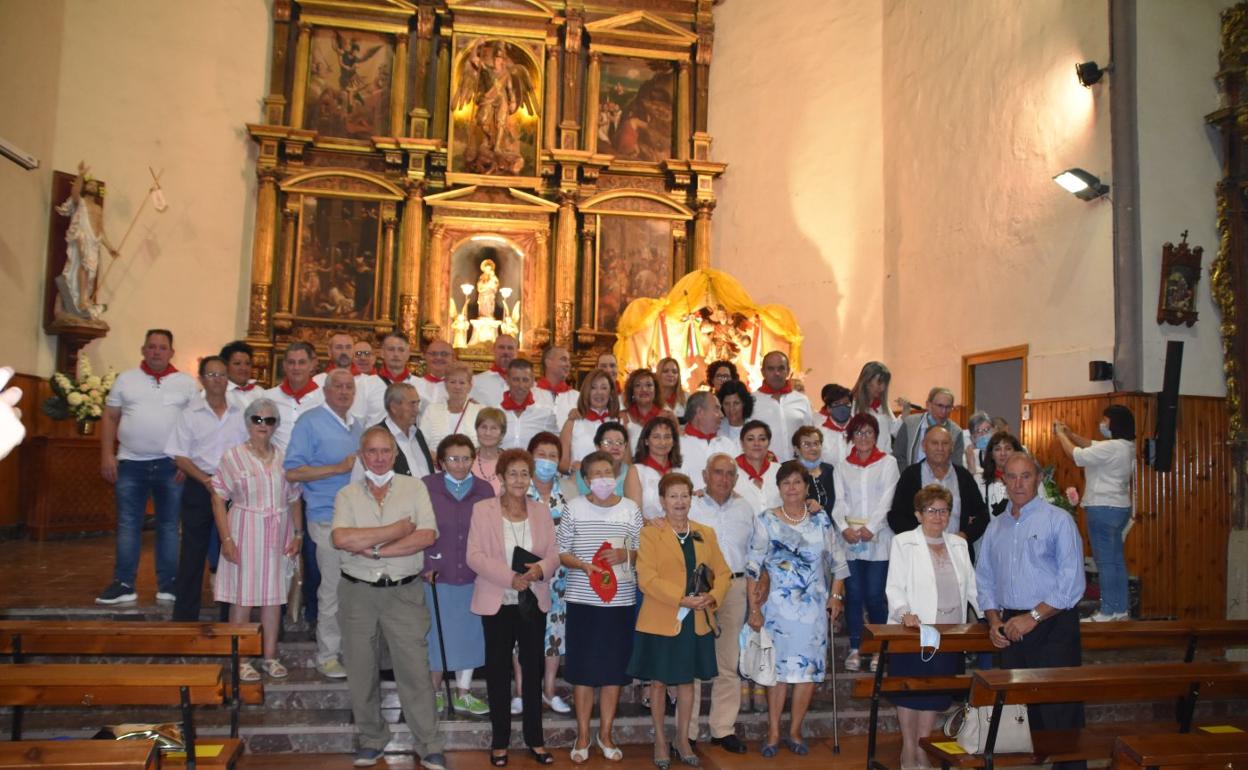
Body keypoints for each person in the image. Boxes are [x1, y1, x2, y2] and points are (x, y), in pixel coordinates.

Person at [330, 427, 447, 770]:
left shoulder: (415, 489)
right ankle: (371, 739)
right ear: (362, 455)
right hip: (357, 594)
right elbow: (341, 538)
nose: (379, 458)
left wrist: (376, 550)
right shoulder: (347, 495)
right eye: (372, 451)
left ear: (395, 453)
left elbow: (426, 534)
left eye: (385, 451)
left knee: (415, 672)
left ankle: (428, 744)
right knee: (361, 670)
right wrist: (396, 531)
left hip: (404, 593)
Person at [976, 451, 1086, 770]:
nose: (1019, 483)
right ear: (1003, 481)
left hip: (1053, 624)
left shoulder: (1058, 520)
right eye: (1012, 476)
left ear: (1038, 478)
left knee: (1060, 712)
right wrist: (994, 619)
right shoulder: (996, 528)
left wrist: (1033, 617)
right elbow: (984, 578)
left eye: (1026, 475)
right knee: (1023, 714)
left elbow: (1072, 583)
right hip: (1011, 627)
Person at [746, 461, 849, 757]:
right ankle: (774, 730)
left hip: (813, 610)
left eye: (797, 482)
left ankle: (795, 730)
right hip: (776, 609)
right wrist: (754, 608)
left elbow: (839, 563)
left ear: (806, 487)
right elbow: (753, 567)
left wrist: (836, 597)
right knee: (776, 671)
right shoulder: (766, 520)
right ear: (778, 488)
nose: (792, 488)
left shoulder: (821, 520)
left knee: (807, 671)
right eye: (786, 483)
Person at [629, 472, 731, 770]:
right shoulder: (650, 534)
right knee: (659, 683)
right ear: (662, 500)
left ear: (691, 498)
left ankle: (682, 739)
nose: (679, 501)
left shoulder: (705, 533)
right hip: (663, 618)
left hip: (696, 619)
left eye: (684, 495)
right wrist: (681, 598)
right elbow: (646, 579)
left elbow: (723, 573)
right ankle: (661, 740)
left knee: (687, 683)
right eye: (673, 496)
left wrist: (712, 597)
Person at [467, 449, 560, 766]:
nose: (519, 480)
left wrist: (538, 571)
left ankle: (535, 739)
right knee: (497, 672)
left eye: (524, 473)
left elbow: (553, 554)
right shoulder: (483, 510)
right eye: (513, 474)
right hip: (498, 600)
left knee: (533, 669)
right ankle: (499, 741)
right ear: (502, 477)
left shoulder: (541, 511)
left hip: (533, 600)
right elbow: (475, 556)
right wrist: (510, 578)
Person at [97, 329, 198, 605]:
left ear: (171, 352)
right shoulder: (126, 379)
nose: (156, 352)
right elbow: (110, 417)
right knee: (128, 524)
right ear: (143, 350)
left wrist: (186, 461)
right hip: (130, 463)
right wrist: (108, 455)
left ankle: (169, 584)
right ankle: (124, 583)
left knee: (168, 526)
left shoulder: (186, 383)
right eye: (151, 347)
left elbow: (195, 425)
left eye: (162, 347)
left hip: (171, 465)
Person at [885, 484, 980, 770]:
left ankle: (923, 747)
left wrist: (991, 614)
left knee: (934, 695)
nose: (939, 516)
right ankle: (908, 749)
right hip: (914, 632)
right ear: (918, 514)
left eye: (944, 510)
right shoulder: (903, 542)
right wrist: (904, 613)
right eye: (932, 510)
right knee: (910, 693)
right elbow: (895, 586)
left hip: (949, 634)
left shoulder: (959, 544)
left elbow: (973, 588)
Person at [557, 451, 644, 763]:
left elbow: (642, 549)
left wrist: (626, 556)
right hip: (583, 601)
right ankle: (582, 735)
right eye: (595, 473)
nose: (603, 478)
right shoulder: (574, 507)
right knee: (582, 672)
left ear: (616, 475)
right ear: (586, 479)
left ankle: (605, 733)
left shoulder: (631, 509)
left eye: (608, 471)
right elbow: (561, 551)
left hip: (620, 602)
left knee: (613, 671)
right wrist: (582, 565)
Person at [211, 397, 303, 680]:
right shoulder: (232, 456)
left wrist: (299, 534)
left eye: (270, 420)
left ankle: (270, 656)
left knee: (273, 598)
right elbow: (218, 497)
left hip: (278, 531)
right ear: (248, 422)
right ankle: (241, 658)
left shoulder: (284, 457)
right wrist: (226, 539)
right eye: (258, 419)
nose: (263, 425)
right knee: (242, 597)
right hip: (244, 530)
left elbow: (294, 498)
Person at [284, 368, 364, 679]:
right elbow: (292, 471)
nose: (344, 392)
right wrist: (336, 468)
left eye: (349, 387)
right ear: (326, 391)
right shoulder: (310, 421)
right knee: (332, 587)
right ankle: (328, 655)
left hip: (356, 518)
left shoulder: (356, 426)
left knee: (354, 590)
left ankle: (351, 650)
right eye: (338, 387)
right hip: (325, 515)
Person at [165, 356, 247, 621]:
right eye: (212, 375)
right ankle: (185, 615)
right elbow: (180, 456)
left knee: (229, 550)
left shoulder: (240, 411)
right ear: (201, 379)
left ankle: (228, 615)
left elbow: (248, 449)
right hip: (200, 486)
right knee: (192, 551)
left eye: (222, 375)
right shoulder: (190, 413)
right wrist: (205, 480)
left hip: (233, 490)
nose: (218, 381)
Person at [687, 453, 755, 755]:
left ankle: (722, 729)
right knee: (693, 663)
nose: (723, 479)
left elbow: (756, 549)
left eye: (730, 473)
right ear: (704, 474)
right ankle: (686, 732)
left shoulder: (745, 507)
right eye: (717, 472)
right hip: (700, 590)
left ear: (736, 479)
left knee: (728, 663)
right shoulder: (691, 505)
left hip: (736, 588)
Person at [422, 434, 493, 716]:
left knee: (470, 635)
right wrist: (424, 565)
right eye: (453, 458)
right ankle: (435, 692)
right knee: (435, 636)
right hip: (436, 574)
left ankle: (463, 693)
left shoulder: (484, 489)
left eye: (466, 458)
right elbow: (416, 528)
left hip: (474, 576)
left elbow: (491, 534)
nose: (460, 464)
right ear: (441, 461)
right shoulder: (426, 487)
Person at [830, 413, 899, 672]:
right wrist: (845, 528)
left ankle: (880, 648)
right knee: (855, 595)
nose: (863, 438)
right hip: (850, 539)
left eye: (868, 432)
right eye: (858, 433)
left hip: (878, 538)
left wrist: (871, 528)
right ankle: (857, 648)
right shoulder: (842, 465)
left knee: (874, 595)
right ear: (851, 437)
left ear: (876, 435)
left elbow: (888, 498)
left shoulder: (888, 463)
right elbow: (838, 501)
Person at [1055, 406, 1137, 622]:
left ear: (1113, 422)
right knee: (1116, 561)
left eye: (1104, 419)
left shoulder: (1113, 448)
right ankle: (1121, 610)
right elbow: (1091, 445)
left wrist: (1061, 435)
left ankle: (1108, 611)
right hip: (1119, 508)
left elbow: (1076, 455)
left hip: (1103, 508)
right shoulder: (1125, 446)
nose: (1102, 423)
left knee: (1106, 562)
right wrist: (1071, 434)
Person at [526, 432, 578, 714]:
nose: (546, 461)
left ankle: (548, 689)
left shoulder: (568, 490)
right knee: (523, 633)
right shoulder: (518, 487)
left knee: (555, 632)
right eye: (541, 454)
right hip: (526, 571)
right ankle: (523, 692)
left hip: (560, 574)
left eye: (552, 456)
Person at [887, 425, 989, 550]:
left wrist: (965, 535)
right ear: (924, 446)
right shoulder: (910, 476)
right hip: (919, 550)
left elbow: (982, 515)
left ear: (952, 447)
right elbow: (896, 516)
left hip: (956, 549)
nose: (940, 448)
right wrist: (919, 539)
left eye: (945, 443)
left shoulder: (963, 476)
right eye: (934, 443)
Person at [55, 161, 118, 320]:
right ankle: (82, 300)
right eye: (89, 184)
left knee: (89, 274)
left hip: (93, 243)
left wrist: (110, 248)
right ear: (85, 187)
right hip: (81, 239)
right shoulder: (80, 202)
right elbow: (75, 193)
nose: (92, 186)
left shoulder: (98, 208)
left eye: (95, 185)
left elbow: (100, 230)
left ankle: (80, 301)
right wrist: (81, 175)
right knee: (78, 267)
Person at [751, 351, 814, 462]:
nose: (777, 373)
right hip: (765, 469)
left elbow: (811, 435)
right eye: (771, 369)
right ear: (763, 372)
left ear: (788, 371)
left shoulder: (802, 400)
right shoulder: (751, 401)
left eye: (781, 368)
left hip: (798, 468)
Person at [264, 341, 324, 451]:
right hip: (277, 466)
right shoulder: (268, 398)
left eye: (302, 362)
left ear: (311, 365)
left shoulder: (324, 399)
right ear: (284, 366)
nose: (296, 367)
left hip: (313, 466)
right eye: (291, 362)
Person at [560, 367, 621, 471]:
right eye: (593, 388)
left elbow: (625, 463)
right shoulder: (573, 422)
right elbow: (562, 463)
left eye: (604, 388)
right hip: (577, 484)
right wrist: (573, 469)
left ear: (611, 392)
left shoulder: (619, 422)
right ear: (586, 391)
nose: (599, 392)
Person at [623, 414, 683, 521]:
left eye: (667, 437)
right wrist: (652, 527)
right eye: (656, 437)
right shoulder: (636, 471)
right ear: (646, 441)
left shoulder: (680, 470)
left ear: (674, 441)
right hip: (648, 534)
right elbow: (634, 516)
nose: (662, 442)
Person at [893, 387, 966, 468]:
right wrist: (909, 477)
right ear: (928, 405)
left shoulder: (956, 432)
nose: (944, 411)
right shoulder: (910, 423)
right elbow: (898, 456)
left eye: (948, 407)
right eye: (940, 406)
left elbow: (956, 465)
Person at [421, 362, 482, 458]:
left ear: (469, 386)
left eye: (462, 382)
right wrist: (439, 460)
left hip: (469, 467)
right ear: (445, 384)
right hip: (436, 467)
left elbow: (485, 444)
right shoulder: (432, 410)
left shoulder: (480, 411)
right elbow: (422, 443)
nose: (457, 386)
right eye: (452, 382)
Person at [679, 391, 738, 489]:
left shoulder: (727, 444)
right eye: (717, 409)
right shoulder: (678, 444)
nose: (722, 415)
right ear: (700, 412)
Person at [500, 359, 557, 451]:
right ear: (507, 380)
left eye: (525, 380)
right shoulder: (496, 412)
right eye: (516, 379)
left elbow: (557, 443)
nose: (520, 385)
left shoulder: (546, 413)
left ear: (532, 381)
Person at [361, 332, 416, 425]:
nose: (396, 354)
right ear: (382, 353)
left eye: (401, 350)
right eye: (391, 349)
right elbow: (358, 423)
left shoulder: (421, 385)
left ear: (408, 354)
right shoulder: (366, 384)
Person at [734, 420, 781, 514]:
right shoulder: (730, 473)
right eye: (750, 439)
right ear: (742, 443)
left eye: (762, 439)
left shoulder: (780, 470)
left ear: (769, 443)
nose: (757, 443)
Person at [851, 361, 898, 453]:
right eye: (879, 383)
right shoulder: (852, 404)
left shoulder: (883, 405)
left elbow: (894, 430)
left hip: (884, 459)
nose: (883, 388)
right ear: (866, 381)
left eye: (885, 384)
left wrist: (904, 414)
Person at [978, 432, 1023, 519]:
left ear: (1016, 452)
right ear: (991, 455)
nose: (1003, 453)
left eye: (1008, 448)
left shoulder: (1028, 480)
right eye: (997, 449)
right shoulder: (979, 481)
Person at [792, 426, 836, 513]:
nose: (813, 448)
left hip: (832, 525)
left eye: (816, 443)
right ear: (797, 449)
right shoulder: (788, 472)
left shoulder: (830, 470)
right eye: (807, 444)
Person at [535, 345, 579, 426]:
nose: (568, 364)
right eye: (563, 359)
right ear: (548, 362)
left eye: (569, 361)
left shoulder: (577, 397)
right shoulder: (532, 393)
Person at [622, 368, 665, 450]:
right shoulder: (622, 417)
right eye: (638, 385)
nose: (644, 389)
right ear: (632, 391)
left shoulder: (667, 416)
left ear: (655, 389)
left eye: (648, 385)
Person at [471, 334, 518, 407]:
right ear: (493, 350)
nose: (506, 352)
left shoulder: (526, 383)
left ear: (516, 352)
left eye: (510, 348)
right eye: (501, 347)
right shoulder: (476, 381)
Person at [473, 407, 508, 494]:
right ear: (476, 430)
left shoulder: (510, 462)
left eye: (494, 428)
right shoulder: (465, 460)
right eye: (483, 427)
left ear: (502, 433)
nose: (487, 433)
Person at [220, 340, 262, 412]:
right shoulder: (217, 393)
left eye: (248, 363)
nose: (244, 368)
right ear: (225, 366)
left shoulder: (260, 392)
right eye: (237, 363)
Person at [818, 383, 853, 467]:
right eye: (837, 404)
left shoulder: (859, 430)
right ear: (829, 409)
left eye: (846, 404)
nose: (842, 408)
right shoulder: (819, 433)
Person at [416, 340, 454, 409]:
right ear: (425, 356)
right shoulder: (414, 385)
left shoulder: (460, 387)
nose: (438, 357)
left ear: (452, 358)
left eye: (444, 354)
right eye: (433, 354)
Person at [964, 411, 994, 476]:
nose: (984, 434)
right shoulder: (967, 458)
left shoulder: (1000, 454)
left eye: (987, 430)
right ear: (972, 438)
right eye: (978, 431)